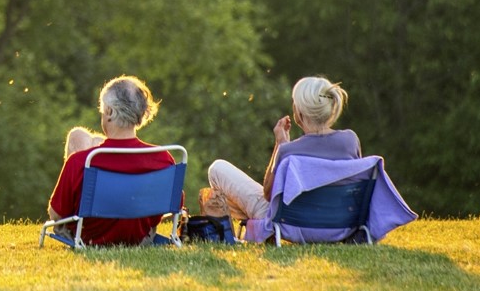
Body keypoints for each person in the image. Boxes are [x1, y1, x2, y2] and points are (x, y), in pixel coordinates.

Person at [207, 76, 361, 226]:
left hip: (292, 222)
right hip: (340, 221)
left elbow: (268, 195)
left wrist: (280, 144)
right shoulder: (350, 141)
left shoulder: (288, 150)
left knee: (217, 169)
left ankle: (252, 226)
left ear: (299, 112)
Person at [47, 75, 177, 246]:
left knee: (79, 138)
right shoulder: (163, 159)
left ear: (109, 112)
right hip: (138, 239)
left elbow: (56, 214)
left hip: (88, 238)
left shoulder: (80, 162)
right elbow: (165, 209)